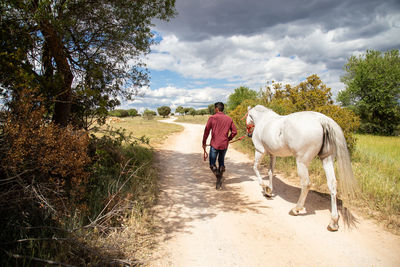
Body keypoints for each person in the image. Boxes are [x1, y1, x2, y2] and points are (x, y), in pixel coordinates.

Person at [202, 102, 237, 181]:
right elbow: (234, 132)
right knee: (221, 161)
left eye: (215, 108)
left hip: (215, 144)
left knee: (212, 164)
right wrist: (228, 139)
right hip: (224, 144)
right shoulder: (229, 119)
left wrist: (204, 143)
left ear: (217, 109)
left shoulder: (212, 118)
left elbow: (206, 131)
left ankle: (218, 176)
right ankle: (220, 177)